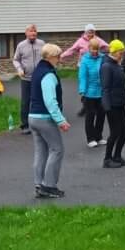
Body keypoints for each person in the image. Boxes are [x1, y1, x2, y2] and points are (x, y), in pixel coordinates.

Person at [29, 43, 71, 198]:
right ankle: (49, 186)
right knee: (57, 150)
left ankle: (39, 184)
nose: (59, 59)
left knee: (41, 152)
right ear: (51, 57)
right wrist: (60, 120)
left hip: (33, 116)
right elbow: (50, 101)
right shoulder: (48, 75)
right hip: (44, 118)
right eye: (58, 56)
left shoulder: (37, 71)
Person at [101, 39, 125, 168]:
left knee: (124, 130)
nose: (122, 54)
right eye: (120, 52)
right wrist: (106, 106)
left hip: (120, 103)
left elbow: (120, 87)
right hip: (112, 105)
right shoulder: (107, 66)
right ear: (113, 52)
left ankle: (117, 156)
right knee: (115, 132)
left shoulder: (117, 65)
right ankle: (107, 159)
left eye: (123, 52)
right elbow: (105, 88)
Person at [13, 25, 45, 135]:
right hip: (26, 78)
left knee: (39, 101)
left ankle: (39, 124)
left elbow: (46, 57)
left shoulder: (42, 44)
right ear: (26, 33)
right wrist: (19, 69)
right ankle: (25, 125)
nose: (33, 33)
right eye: (31, 31)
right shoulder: (21, 45)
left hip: (39, 78)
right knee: (25, 102)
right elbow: (16, 60)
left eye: (35, 31)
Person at [78, 38, 107, 148]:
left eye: (96, 49)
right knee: (90, 116)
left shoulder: (103, 58)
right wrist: (82, 90)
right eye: (92, 49)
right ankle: (90, 138)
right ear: (89, 48)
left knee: (101, 115)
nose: (94, 51)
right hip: (89, 93)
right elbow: (83, 77)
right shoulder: (85, 60)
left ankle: (99, 137)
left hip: (101, 92)